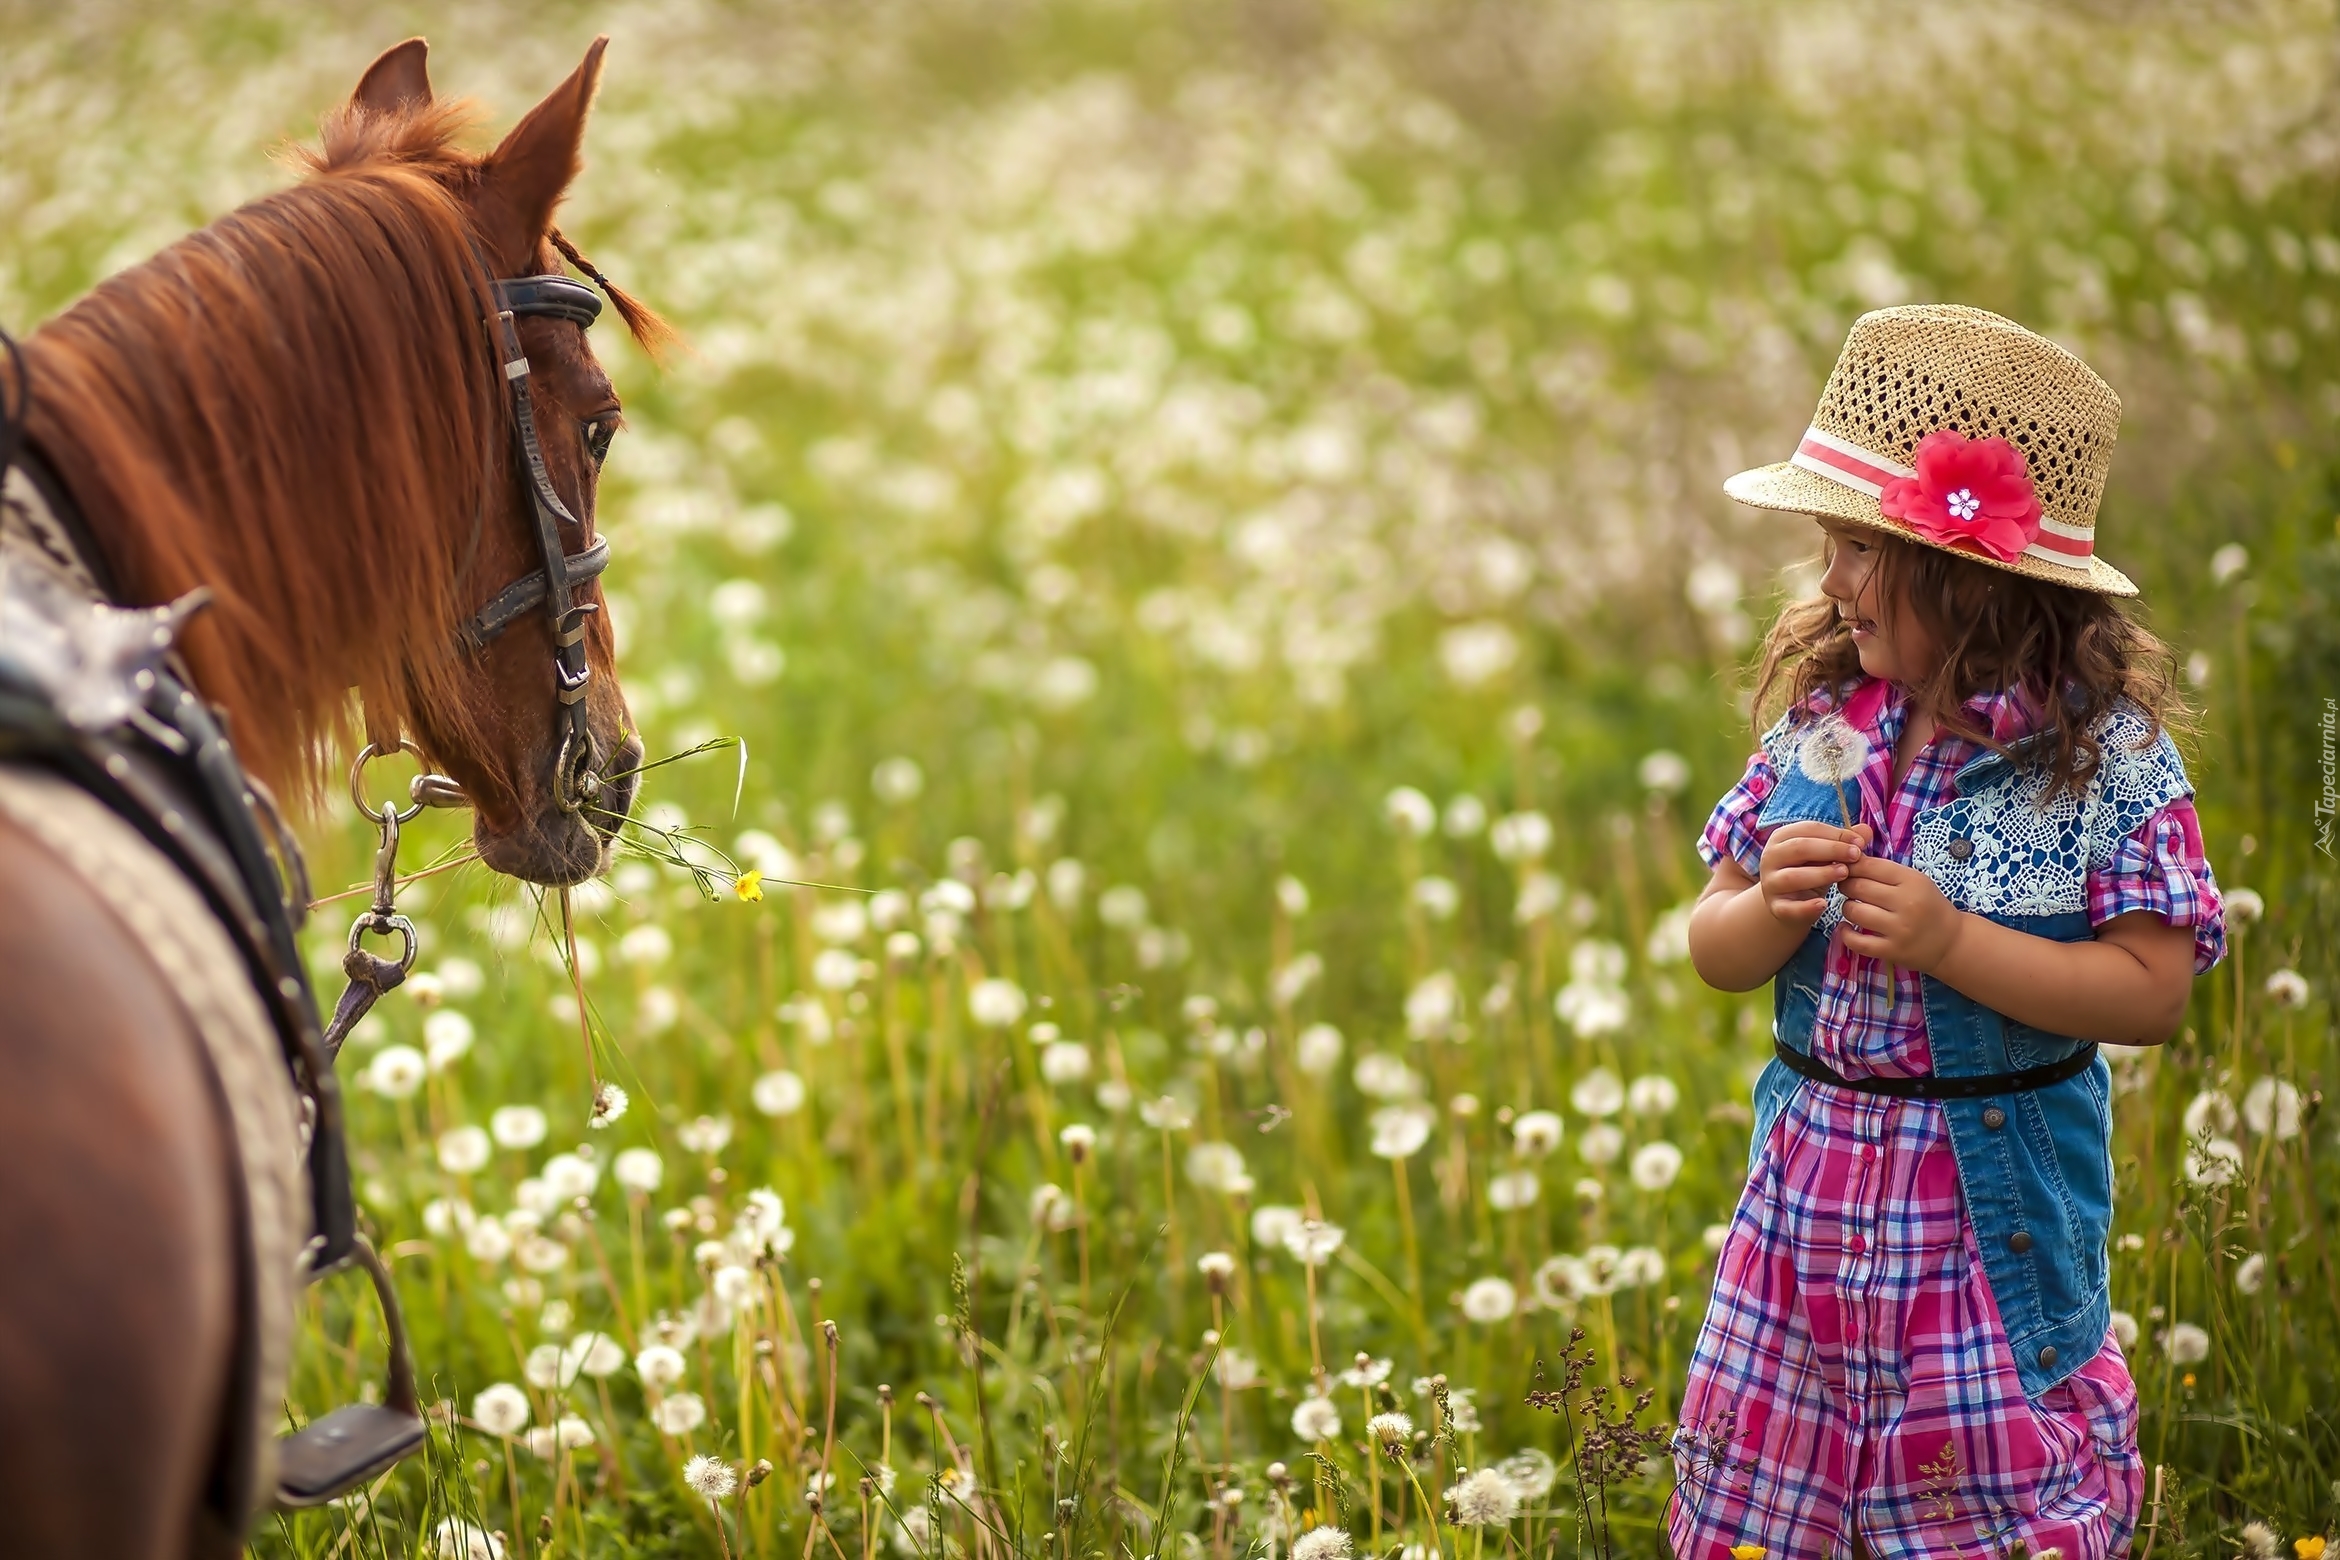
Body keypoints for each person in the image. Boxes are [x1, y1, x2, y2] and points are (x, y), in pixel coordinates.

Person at [1670, 305, 2226, 1560]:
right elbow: (1710, 943)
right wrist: (1765, 909)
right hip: (1804, 1225)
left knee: (1977, 1506)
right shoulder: (1827, 724)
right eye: (1828, 546)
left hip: (1983, 1229)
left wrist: (1953, 943)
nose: (1831, 580)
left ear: (1971, 574)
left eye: (1859, 549)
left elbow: (2150, 993)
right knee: (1776, 1503)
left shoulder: (2100, 765)